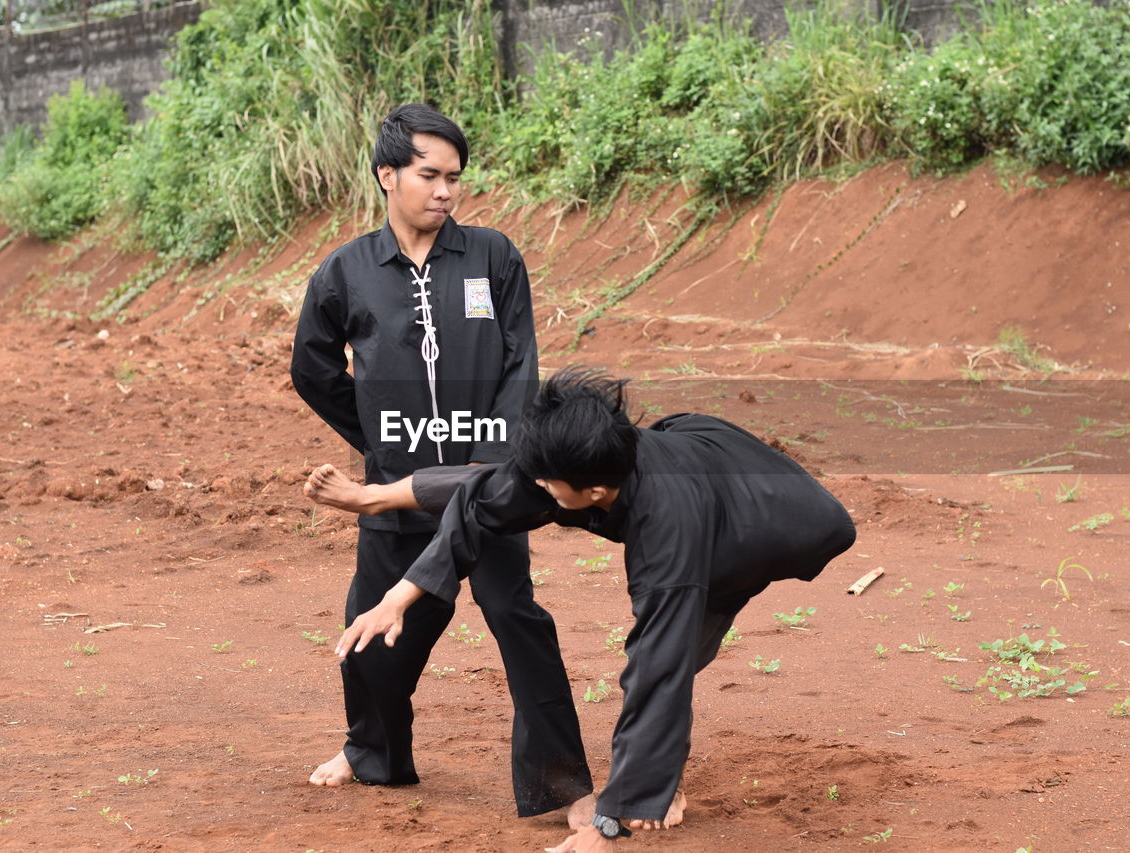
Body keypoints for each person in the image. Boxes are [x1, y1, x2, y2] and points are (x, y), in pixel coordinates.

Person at [303, 368, 858, 852]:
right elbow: (492, 493)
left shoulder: (669, 540)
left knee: (670, 652)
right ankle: (653, 777)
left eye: (552, 482)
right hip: (698, 448)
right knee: (522, 485)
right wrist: (400, 594)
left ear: (594, 491)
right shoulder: (583, 460)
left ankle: (651, 783)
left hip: (775, 528)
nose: (539, 486)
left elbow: (657, 672)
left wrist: (607, 822)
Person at [289, 103, 593, 824]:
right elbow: (313, 365)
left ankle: (565, 785)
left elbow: (521, 363)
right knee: (373, 632)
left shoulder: (493, 256)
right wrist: (376, 437)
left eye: (454, 177)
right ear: (387, 174)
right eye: (429, 174)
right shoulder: (346, 271)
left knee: (518, 618)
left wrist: (497, 461)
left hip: (488, 484)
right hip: (396, 488)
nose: (446, 190)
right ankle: (374, 753)